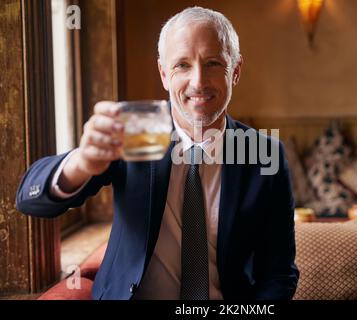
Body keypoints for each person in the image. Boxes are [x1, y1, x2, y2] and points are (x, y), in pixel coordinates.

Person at [16, 6, 299, 300]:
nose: (198, 81)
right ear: (164, 74)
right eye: (182, 65)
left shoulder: (264, 153)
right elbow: (29, 200)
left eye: (213, 63)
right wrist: (82, 163)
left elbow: (279, 273)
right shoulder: (136, 131)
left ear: (236, 71)